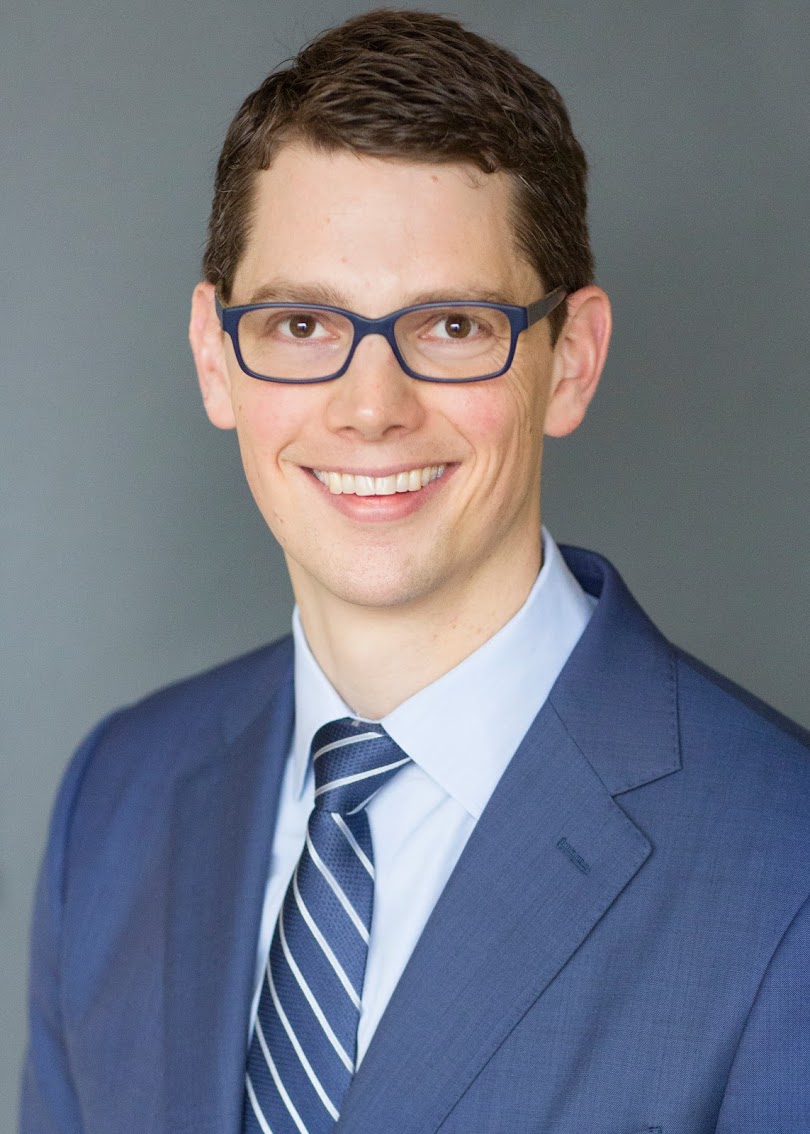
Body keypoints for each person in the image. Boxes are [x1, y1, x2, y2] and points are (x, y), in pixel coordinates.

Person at [21, 9, 810, 1133]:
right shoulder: (117, 801)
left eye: (450, 324)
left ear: (569, 363)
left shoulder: (786, 867)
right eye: (301, 324)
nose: (371, 408)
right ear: (215, 358)